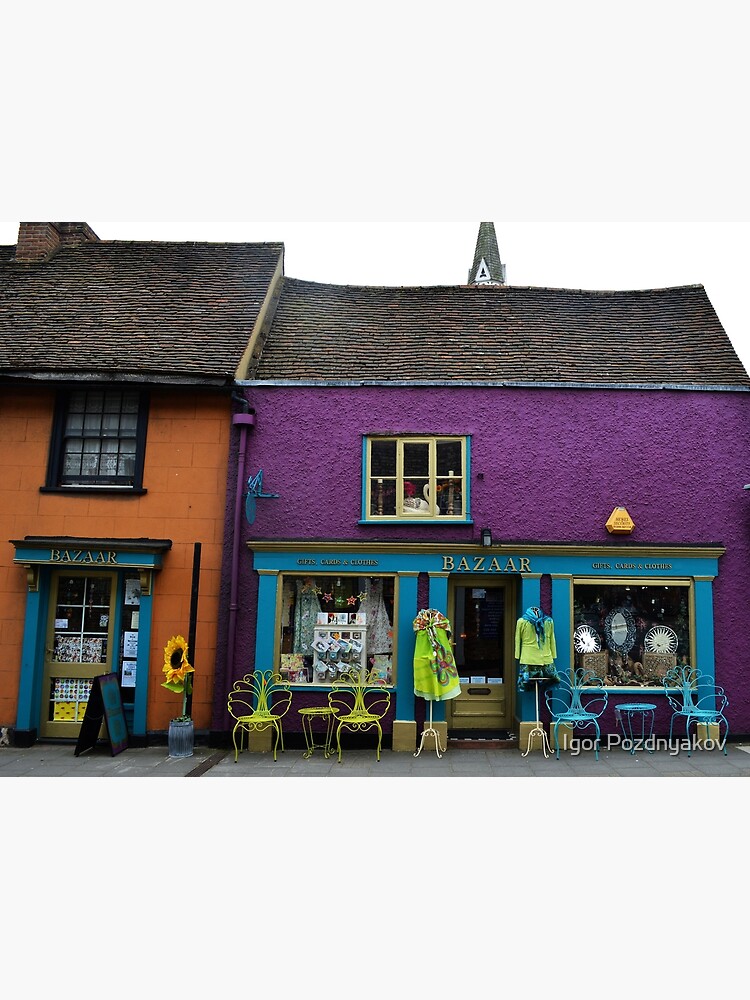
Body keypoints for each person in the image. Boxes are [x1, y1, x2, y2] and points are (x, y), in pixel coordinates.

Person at [515, 606, 560, 691]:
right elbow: (517, 639)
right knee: (529, 684)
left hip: (545, 659)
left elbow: (551, 638)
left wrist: (554, 655)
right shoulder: (521, 621)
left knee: (547, 683)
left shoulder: (548, 621)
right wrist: (517, 655)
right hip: (528, 659)